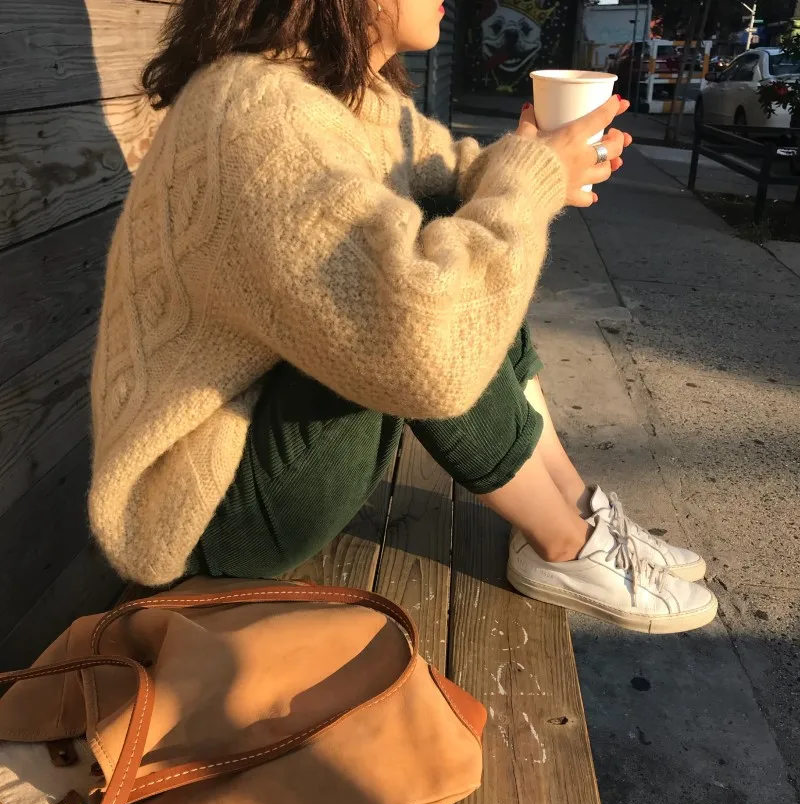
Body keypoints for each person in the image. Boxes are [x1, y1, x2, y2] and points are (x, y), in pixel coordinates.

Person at [88, 0, 717, 633]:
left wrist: (533, 161)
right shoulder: (256, 110)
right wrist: (527, 184)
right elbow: (424, 340)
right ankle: (563, 545)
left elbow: (448, 172)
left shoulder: (342, 94)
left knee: (453, 230)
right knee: (430, 300)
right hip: (203, 516)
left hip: (261, 442)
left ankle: (576, 508)